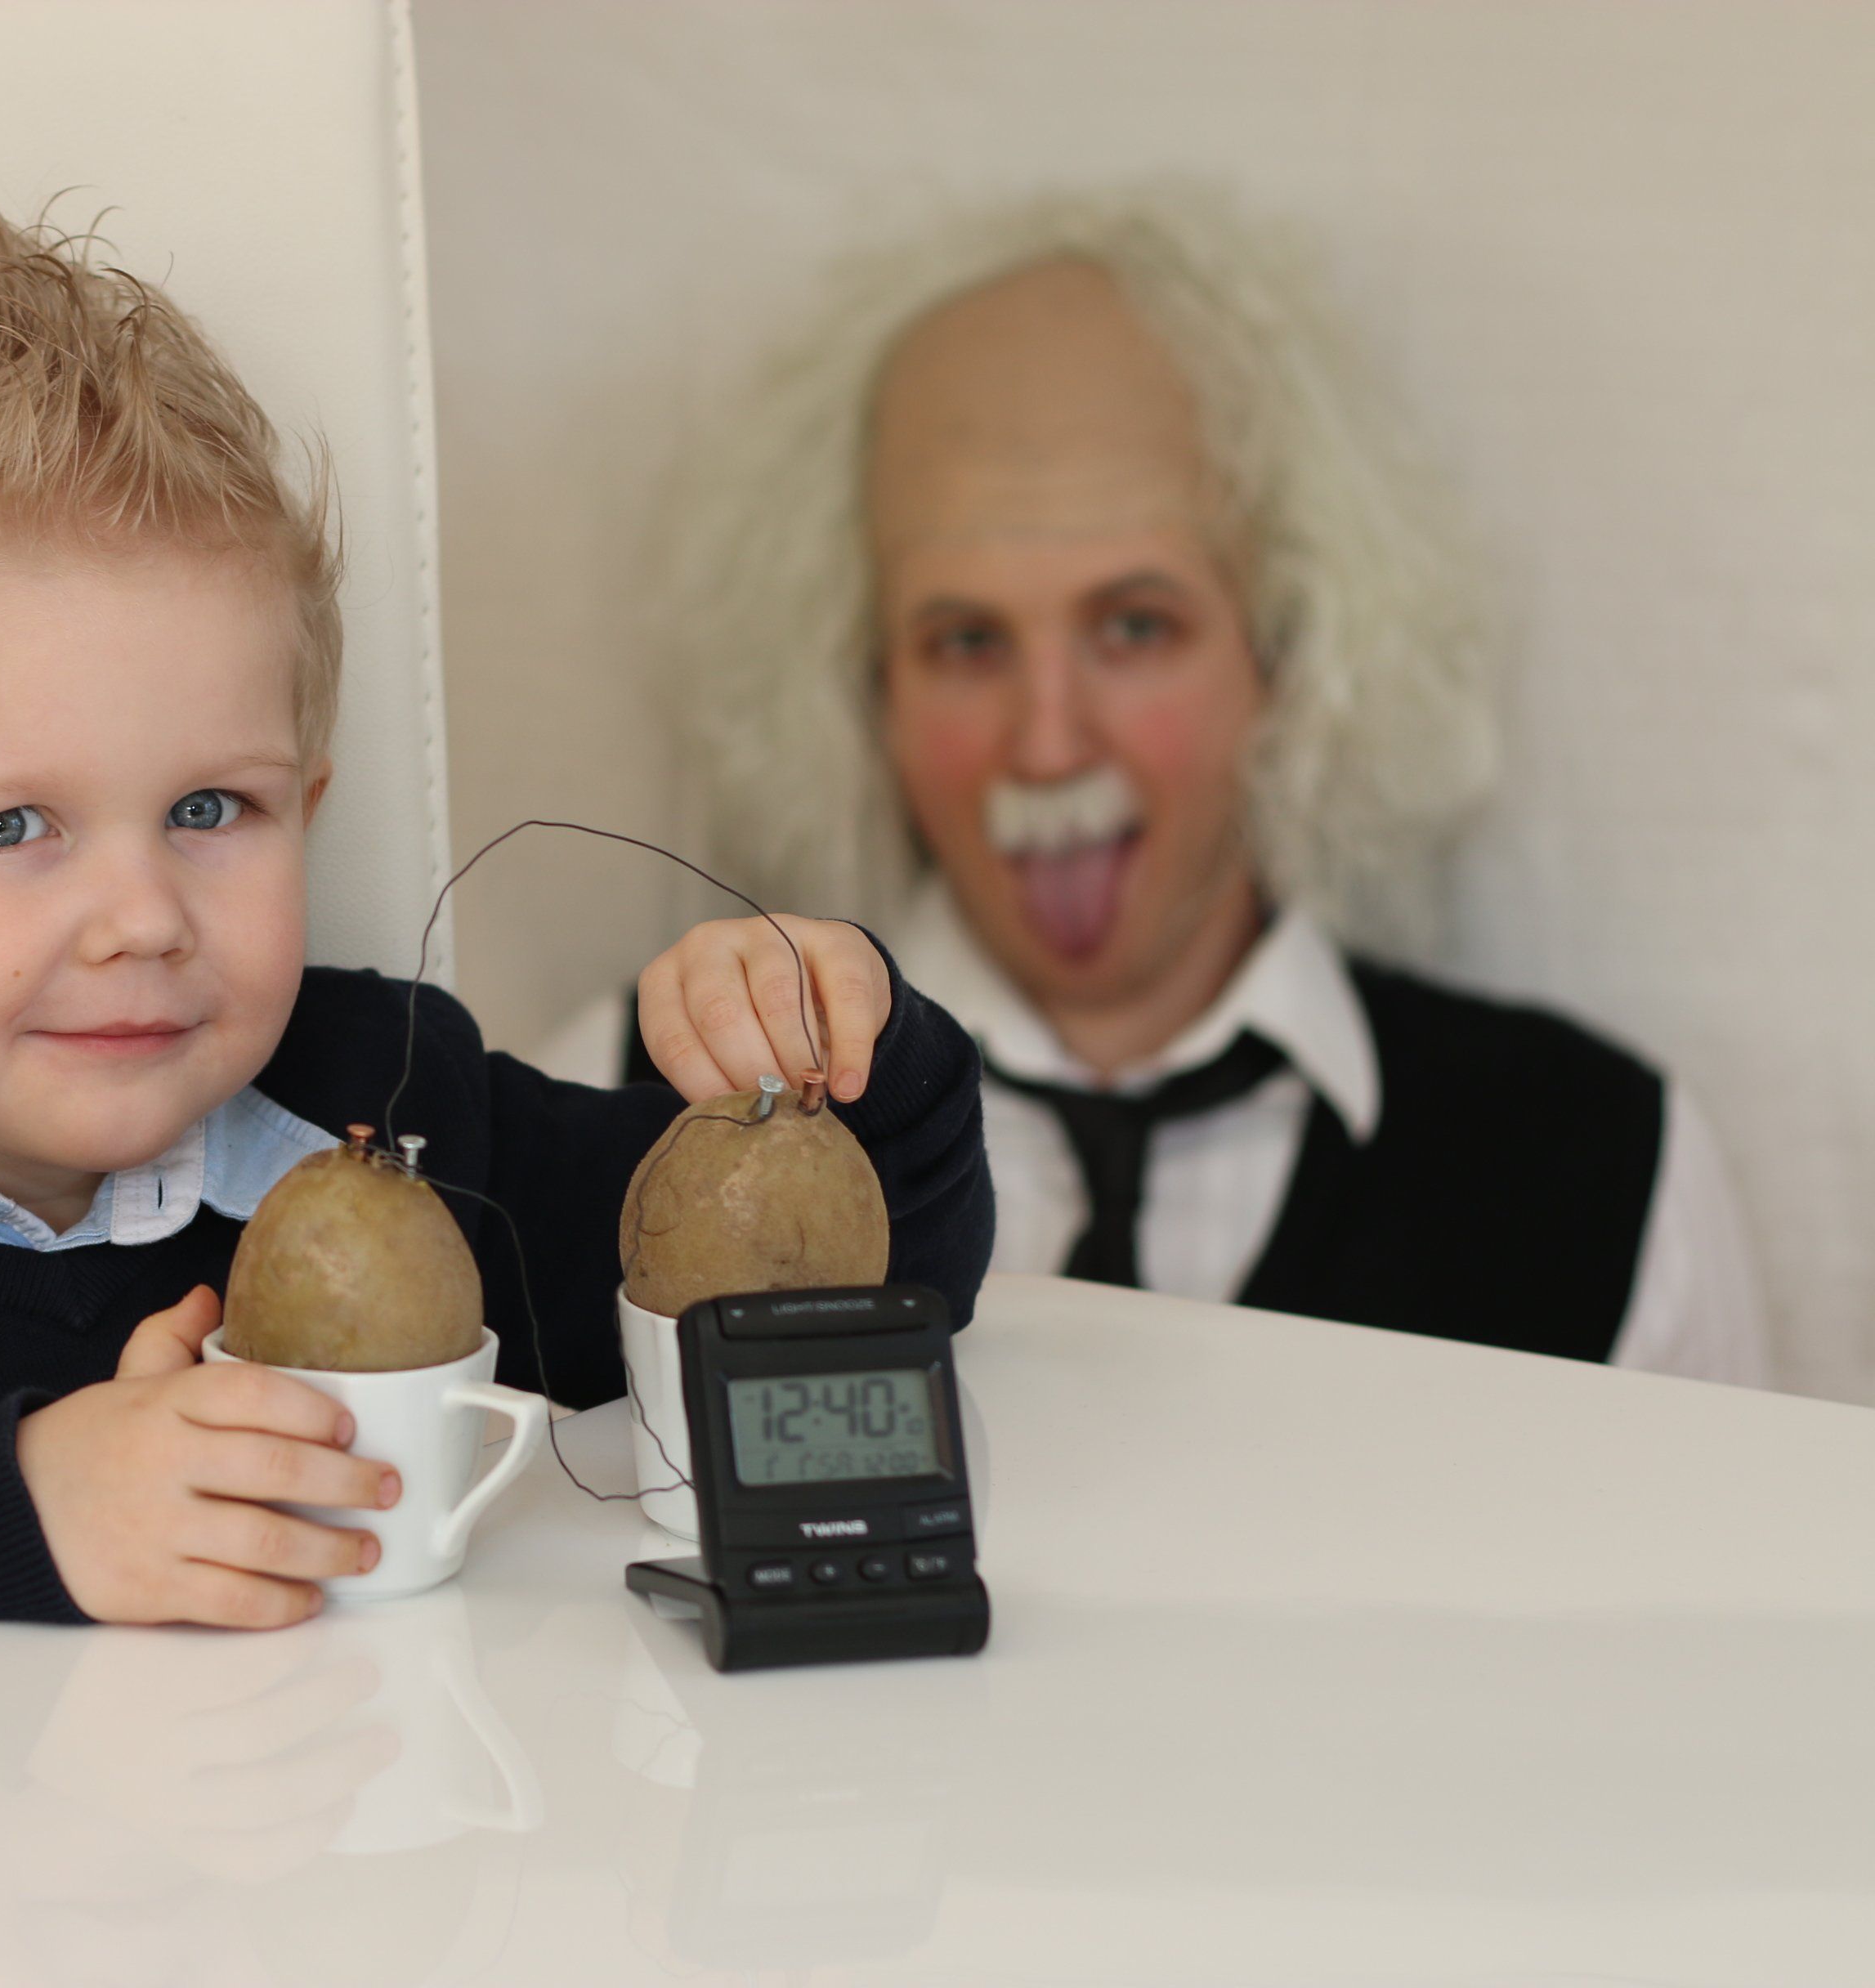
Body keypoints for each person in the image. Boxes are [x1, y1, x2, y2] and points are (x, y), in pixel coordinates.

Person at [0, 181, 994, 1790]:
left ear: (306, 806)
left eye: (211, 809)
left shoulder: (393, 1109)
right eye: (7, 826)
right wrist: (14, 1522)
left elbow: (856, 1302)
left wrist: (832, 1042)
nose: (143, 918)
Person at [542, 190, 1764, 1384]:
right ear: (863, 684)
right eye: (966, 642)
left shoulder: (1610, 1173)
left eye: (1135, 627)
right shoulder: (602, 1105)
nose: (1048, 745)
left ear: (1286, 647)